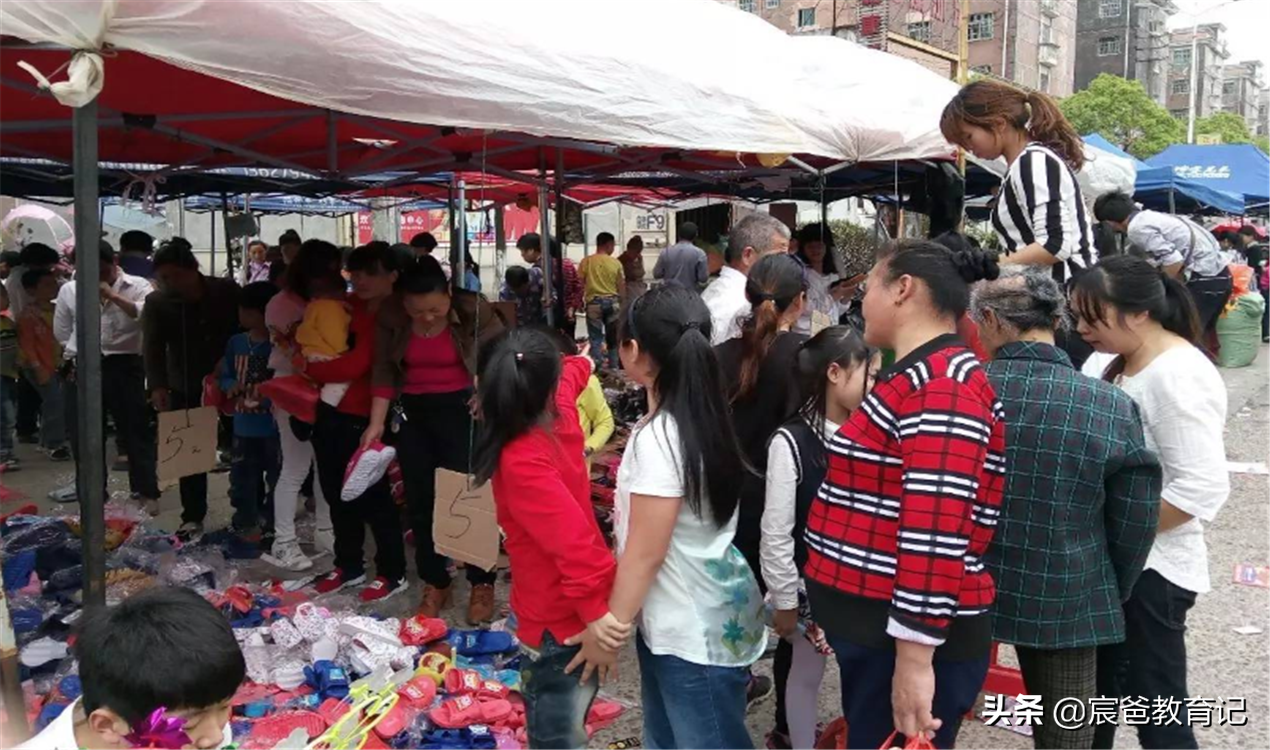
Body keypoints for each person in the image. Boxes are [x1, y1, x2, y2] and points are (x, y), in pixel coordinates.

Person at [803, 239, 1005, 749]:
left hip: (898, 635)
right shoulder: (921, 373)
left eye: (870, 285)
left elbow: (935, 528)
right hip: (879, 628)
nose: (862, 299)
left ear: (902, 289)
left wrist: (914, 660)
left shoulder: (942, 385)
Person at [970, 268, 1162, 750]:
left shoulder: (959, 393)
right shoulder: (1107, 403)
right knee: (1067, 732)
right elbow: (1135, 518)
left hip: (963, 590)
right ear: (1056, 321)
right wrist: (1108, 588)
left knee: (935, 716)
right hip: (1069, 593)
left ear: (988, 319)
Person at [1071, 255, 1230, 750]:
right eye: (1076, 317)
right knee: (1093, 700)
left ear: (1139, 313)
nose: (1081, 329)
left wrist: (1120, 535)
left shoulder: (1177, 375)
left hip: (1152, 573)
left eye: (1092, 318)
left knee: (1158, 707)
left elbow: (1200, 487)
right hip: (1110, 566)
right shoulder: (1105, 360)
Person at [604, 284, 766, 749]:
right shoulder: (702, 415)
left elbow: (645, 555)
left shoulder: (660, 437)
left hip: (689, 631)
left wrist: (611, 629)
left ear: (633, 350)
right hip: (698, 612)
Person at [473, 328, 628, 749]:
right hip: (568, 613)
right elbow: (575, 370)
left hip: (560, 624)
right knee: (565, 724)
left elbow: (577, 547)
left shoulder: (521, 457)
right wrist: (583, 361)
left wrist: (597, 620)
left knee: (555, 735)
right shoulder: (560, 410)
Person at [365, 257, 506, 621]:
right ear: (403, 303)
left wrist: (486, 392)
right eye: (417, 311)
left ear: (448, 296)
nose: (427, 317)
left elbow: (500, 359)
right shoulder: (391, 317)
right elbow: (383, 370)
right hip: (412, 413)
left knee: (470, 493)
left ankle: (481, 581)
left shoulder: (474, 311)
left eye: (435, 309)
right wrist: (376, 424)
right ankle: (435, 580)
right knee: (420, 498)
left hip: (464, 409)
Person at [762, 327, 876, 750]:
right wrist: (786, 600)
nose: (874, 385)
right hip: (812, 587)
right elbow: (776, 531)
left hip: (863, 583)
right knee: (806, 673)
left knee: (862, 678)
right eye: (868, 374)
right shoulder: (791, 442)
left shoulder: (872, 432)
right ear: (834, 373)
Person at [15, 586, 244, 750]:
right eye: (190, 724)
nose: (216, 736)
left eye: (224, 707)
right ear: (108, 726)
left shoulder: (200, 720)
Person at [941, 80, 1095, 283]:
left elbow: (1054, 246)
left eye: (968, 137)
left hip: (1064, 291)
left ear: (998, 123)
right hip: (1051, 289)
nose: (967, 147)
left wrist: (994, 264)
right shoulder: (1022, 165)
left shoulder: (1033, 162)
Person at [143, 237, 241, 540]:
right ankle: (192, 516)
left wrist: (232, 361)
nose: (168, 283)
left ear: (191, 269)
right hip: (185, 382)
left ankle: (248, 509)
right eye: (162, 278)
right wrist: (157, 385)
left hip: (232, 381)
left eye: (173, 276)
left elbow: (244, 328)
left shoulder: (226, 290)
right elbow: (153, 347)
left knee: (243, 448)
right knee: (189, 454)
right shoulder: (157, 302)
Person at [55, 240, 158, 513]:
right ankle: (92, 496)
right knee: (85, 435)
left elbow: (146, 316)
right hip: (83, 364)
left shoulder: (138, 285)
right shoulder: (70, 290)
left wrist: (112, 296)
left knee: (135, 430)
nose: (94, 277)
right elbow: (62, 332)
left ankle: (146, 491)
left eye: (100, 270)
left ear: (113, 261)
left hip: (125, 364)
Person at [263, 240, 339, 571]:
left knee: (325, 464)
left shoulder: (318, 301)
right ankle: (283, 541)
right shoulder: (282, 304)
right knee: (295, 467)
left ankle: (325, 530)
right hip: (294, 387)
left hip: (323, 385)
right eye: (329, 270)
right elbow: (295, 349)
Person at [1093, 191, 1233, 349]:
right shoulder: (1155, 217)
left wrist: (1159, 290)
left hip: (1205, 278)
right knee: (1204, 334)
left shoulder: (1137, 228)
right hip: (1222, 275)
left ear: (1110, 222)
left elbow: (1173, 260)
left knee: (1186, 335)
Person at [219, 281, 282, 543]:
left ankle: (272, 522)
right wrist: (230, 385)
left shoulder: (280, 345)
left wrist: (266, 399)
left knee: (277, 477)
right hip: (242, 425)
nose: (241, 315)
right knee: (242, 477)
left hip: (274, 427)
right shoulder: (236, 343)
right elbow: (225, 375)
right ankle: (244, 521)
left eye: (247, 311)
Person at [702, 214, 792, 345]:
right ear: (748, 255)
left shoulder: (729, 293)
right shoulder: (734, 303)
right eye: (779, 257)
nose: (785, 265)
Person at [16, 268, 69, 462]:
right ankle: (53, 443)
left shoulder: (55, 310)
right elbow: (27, 344)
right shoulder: (28, 315)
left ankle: (49, 440)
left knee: (54, 402)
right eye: (46, 285)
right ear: (31, 290)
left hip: (55, 363)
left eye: (53, 283)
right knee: (54, 401)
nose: (53, 287)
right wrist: (37, 367)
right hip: (38, 364)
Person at [295, 269, 353, 411]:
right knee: (341, 382)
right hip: (325, 353)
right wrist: (343, 352)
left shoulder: (312, 307)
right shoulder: (331, 308)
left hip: (309, 353)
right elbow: (334, 334)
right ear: (339, 292)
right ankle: (325, 406)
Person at [793, 223, 853, 336]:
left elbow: (835, 311)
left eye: (819, 246)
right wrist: (833, 296)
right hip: (805, 335)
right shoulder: (800, 275)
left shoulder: (833, 276)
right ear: (803, 249)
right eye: (810, 247)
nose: (815, 250)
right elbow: (806, 309)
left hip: (829, 334)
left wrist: (846, 297)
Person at [517, 233, 582, 336]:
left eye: (522, 251)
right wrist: (572, 308)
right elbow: (578, 287)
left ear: (532, 250)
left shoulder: (539, 269)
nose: (522, 255)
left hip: (549, 316)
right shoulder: (567, 264)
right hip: (569, 315)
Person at [579, 232, 626, 369]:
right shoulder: (616, 263)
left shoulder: (586, 262)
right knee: (613, 338)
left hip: (593, 305)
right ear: (608, 245)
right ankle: (614, 367)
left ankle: (598, 368)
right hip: (612, 304)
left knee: (595, 338)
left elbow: (580, 283)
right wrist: (622, 303)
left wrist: (580, 301)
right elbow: (621, 285)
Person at [652, 221, 708, 292]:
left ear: (679, 235)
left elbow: (656, 274)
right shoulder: (699, 254)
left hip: (669, 294)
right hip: (690, 294)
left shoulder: (665, 252)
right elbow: (703, 278)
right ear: (695, 235)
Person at [1239, 225, 1269, 341]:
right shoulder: (1250, 248)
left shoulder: (1254, 249)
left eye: (1243, 236)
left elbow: (1253, 266)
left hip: (1257, 282)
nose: (1241, 239)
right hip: (1257, 281)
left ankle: (1265, 332)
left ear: (1250, 236)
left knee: (1261, 306)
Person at [1, 285, 17, 471]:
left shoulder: (8, 321)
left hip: (9, 374)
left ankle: (6, 452)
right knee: (5, 416)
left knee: (8, 415)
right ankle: (3, 453)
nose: (6, 299)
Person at [619, 235, 648, 304]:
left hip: (639, 290)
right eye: (635, 253)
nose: (637, 255)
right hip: (628, 292)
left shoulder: (638, 258)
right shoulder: (622, 260)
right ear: (630, 250)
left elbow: (641, 272)